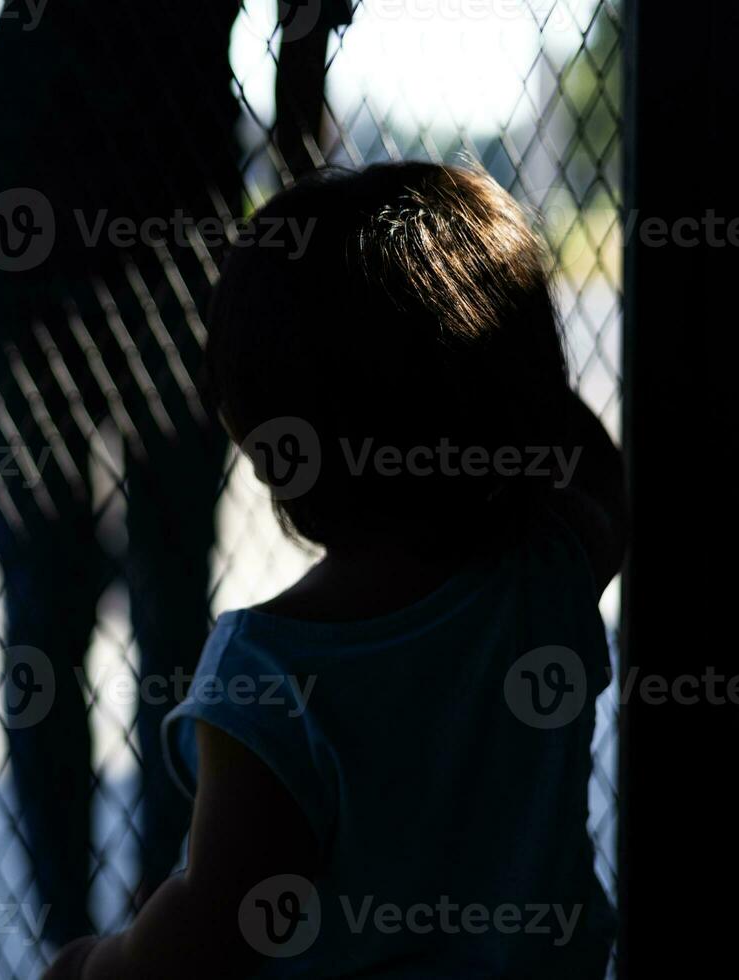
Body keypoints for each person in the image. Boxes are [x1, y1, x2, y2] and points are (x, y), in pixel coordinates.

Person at [43, 162, 625, 977]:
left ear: (264, 451)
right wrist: (502, 374)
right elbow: (602, 476)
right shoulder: (547, 576)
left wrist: (94, 963)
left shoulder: (270, 677)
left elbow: (215, 930)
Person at [0, 0, 355, 949]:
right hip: (129, 209)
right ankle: (106, 931)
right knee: (121, 597)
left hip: (76, 209)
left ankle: (131, 926)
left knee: (104, 598)